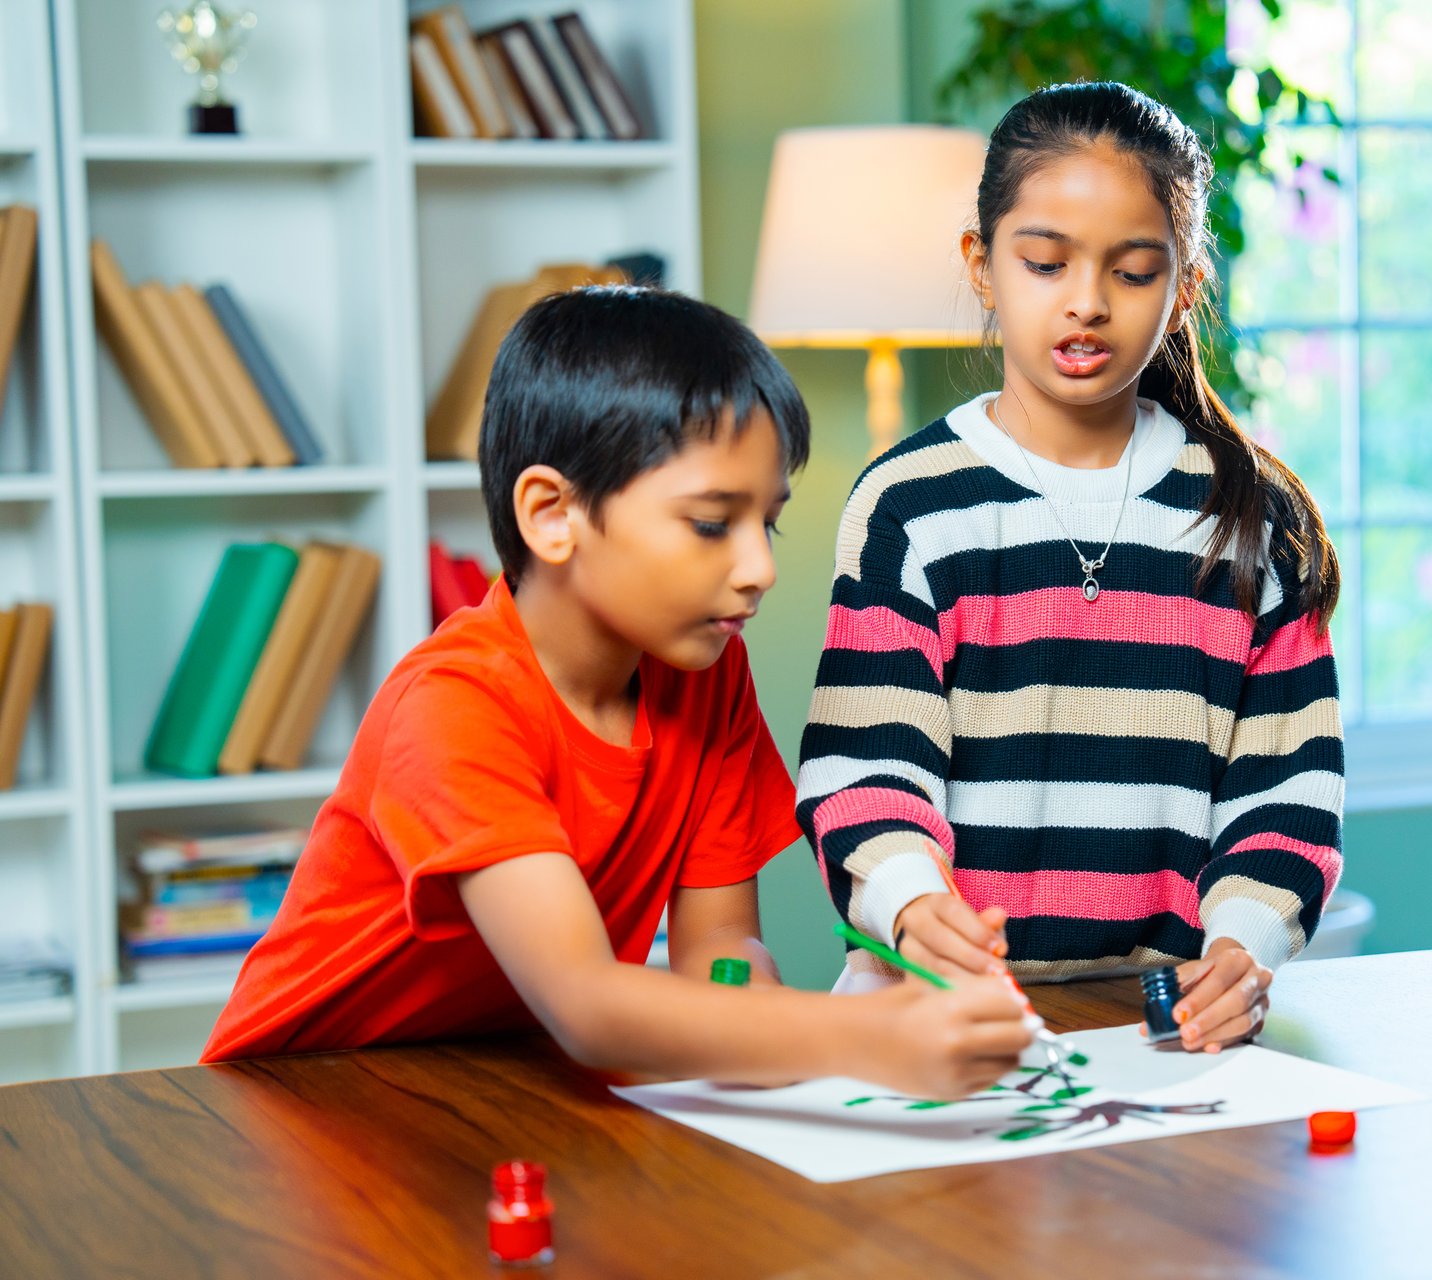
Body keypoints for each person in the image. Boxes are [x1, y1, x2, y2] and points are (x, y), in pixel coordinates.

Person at [205, 286, 1029, 1097]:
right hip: (299, 1097)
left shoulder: (707, 673)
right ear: (552, 514)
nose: (761, 570)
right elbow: (587, 1004)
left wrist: (773, 1021)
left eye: (766, 522)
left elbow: (723, 955)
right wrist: (868, 1039)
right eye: (712, 523)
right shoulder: (454, 704)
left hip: (498, 1080)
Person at [798, 83, 1344, 1053]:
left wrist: (1241, 949)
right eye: (1045, 262)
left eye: (1133, 272)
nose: (1085, 302)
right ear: (982, 264)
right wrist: (915, 907)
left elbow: (1286, 794)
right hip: (928, 1017)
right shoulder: (908, 507)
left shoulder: (1256, 521)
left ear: (1183, 288)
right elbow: (867, 770)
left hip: (1164, 1034)